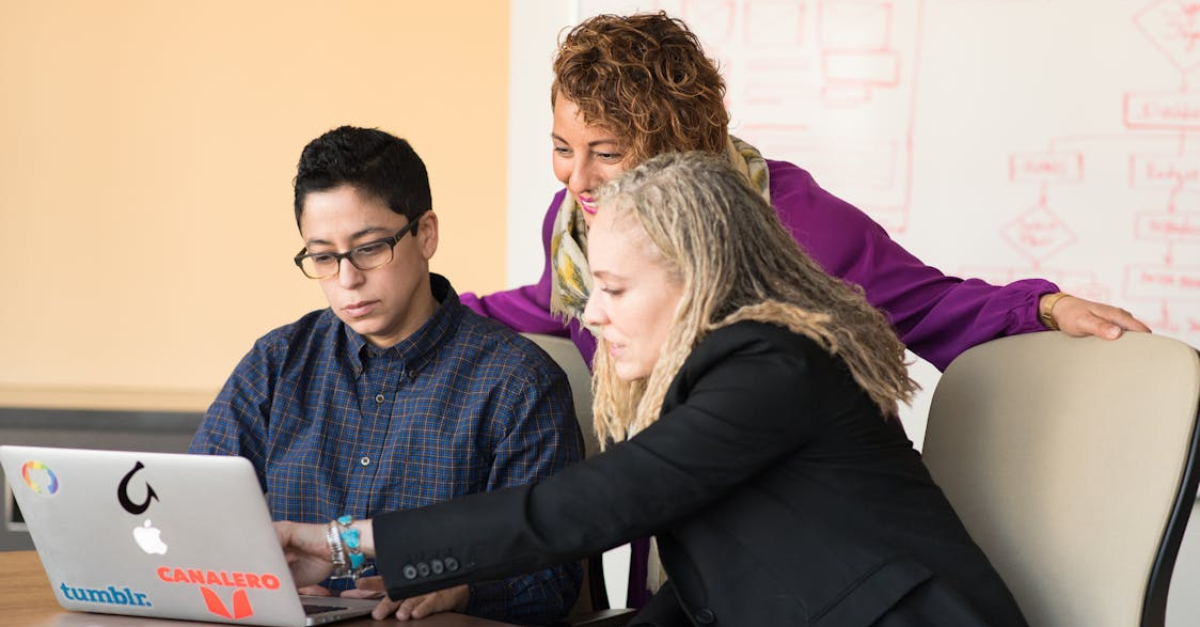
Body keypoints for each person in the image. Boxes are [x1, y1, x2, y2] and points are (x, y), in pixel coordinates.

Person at [458, 12, 1149, 605]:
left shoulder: (792, 217)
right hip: (694, 549)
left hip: (801, 554)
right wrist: (435, 310)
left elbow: (927, 303)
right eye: (560, 148)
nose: (577, 177)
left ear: (673, 145)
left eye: (605, 152)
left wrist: (1046, 307)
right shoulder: (579, 224)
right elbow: (557, 307)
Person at [277, 152, 1031, 626]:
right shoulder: (725, 374)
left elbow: (587, 505)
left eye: (610, 288)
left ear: (694, 276)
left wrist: (344, 542)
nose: (591, 315)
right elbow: (714, 587)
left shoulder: (770, 366)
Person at [190, 126, 584, 624]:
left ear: (426, 234)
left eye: (369, 247)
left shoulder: (517, 383)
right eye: (323, 257)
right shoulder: (277, 363)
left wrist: (463, 590)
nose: (348, 278)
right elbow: (196, 515)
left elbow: (552, 581)